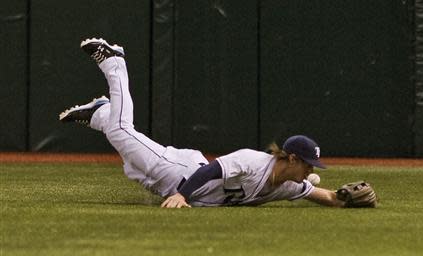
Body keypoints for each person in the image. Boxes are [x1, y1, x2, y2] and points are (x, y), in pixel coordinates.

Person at [59, 38, 345, 208]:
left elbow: (325, 196)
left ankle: (100, 114)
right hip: (177, 173)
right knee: (122, 131)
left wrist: (346, 199)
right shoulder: (255, 162)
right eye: (307, 164)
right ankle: (115, 62)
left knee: (128, 161)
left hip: (172, 179)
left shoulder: (287, 184)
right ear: (291, 158)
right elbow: (212, 169)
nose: (310, 170)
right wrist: (182, 196)